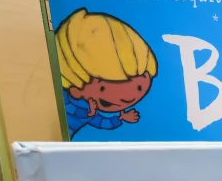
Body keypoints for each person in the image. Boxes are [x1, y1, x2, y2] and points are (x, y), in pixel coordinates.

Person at [54, 9, 157, 137]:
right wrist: (88, 113)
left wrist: (120, 118)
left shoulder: (92, 111)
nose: (126, 97)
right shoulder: (62, 99)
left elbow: (103, 123)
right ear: (75, 90)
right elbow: (68, 110)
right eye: (102, 88)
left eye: (139, 87)